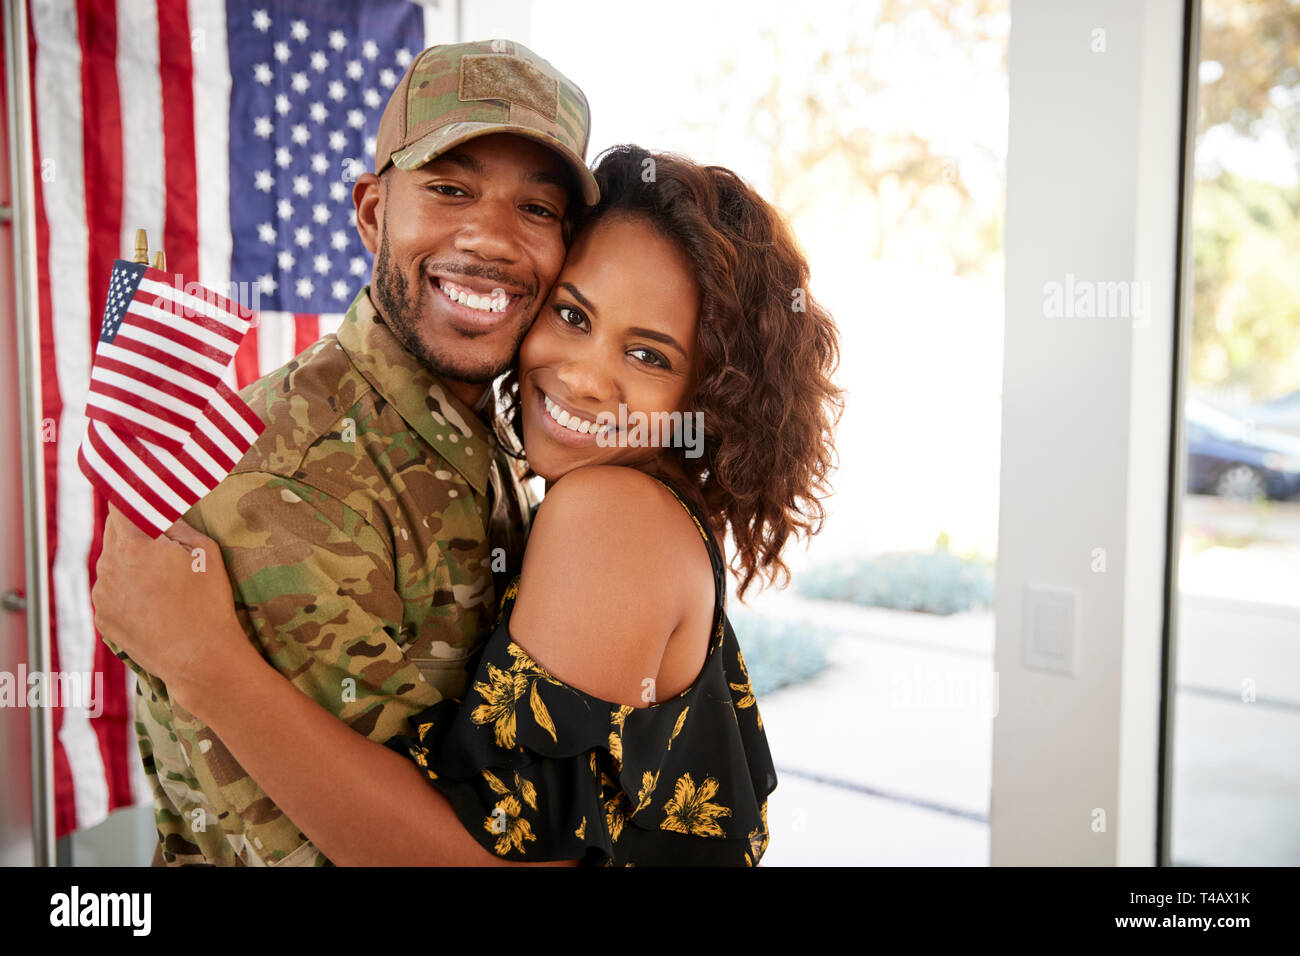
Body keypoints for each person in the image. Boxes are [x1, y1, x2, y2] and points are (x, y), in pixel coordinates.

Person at [95, 145, 843, 866]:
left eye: (648, 356)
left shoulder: (612, 515)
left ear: (708, 394)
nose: (584, 379)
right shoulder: (561, 480)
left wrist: (206, 664)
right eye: (575, 317)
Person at [98, 39, 601, 866]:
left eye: (538, 210)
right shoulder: (285, 486)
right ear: (372, 212)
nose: (493, 240)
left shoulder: (498, 432)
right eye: (449, 189)